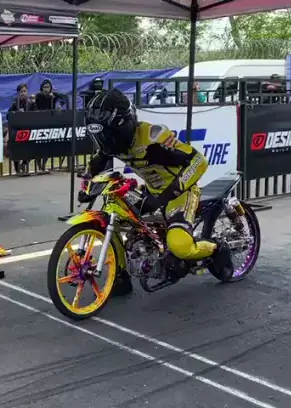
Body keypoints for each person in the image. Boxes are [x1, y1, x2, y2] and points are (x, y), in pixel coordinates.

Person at [82, 88, 233, 296]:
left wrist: (170, 193)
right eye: (100, 137)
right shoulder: (112, 144)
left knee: (180, 245)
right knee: (113, 214)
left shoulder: (154, 137)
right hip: (152, 193)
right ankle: (120, 275)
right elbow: (96, 163)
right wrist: (87, 186)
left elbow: (199, 161)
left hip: (181, 192)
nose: (106, 142)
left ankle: (217, 248)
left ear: (123, 126)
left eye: (109, 135)